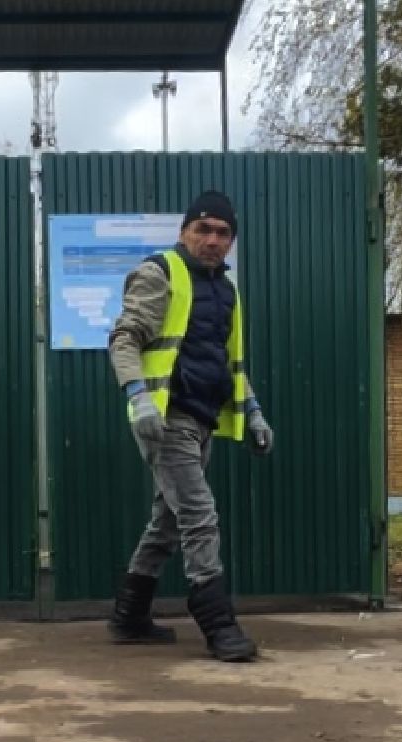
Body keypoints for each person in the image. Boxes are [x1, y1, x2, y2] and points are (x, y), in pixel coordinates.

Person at [106, 190, 274, 662]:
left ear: (232, 241)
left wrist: (254, 410)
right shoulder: (159, 272)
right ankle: (219, 624)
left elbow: (230, 361)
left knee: (167, 523)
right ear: (184, 232)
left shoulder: (227, 289)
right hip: (167, 419)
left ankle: (129, 617)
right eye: (203, 229)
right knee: (199, 515)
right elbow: (124, 338)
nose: (212, 240)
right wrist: (137, 395)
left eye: (223, 233)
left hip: (203, 420)